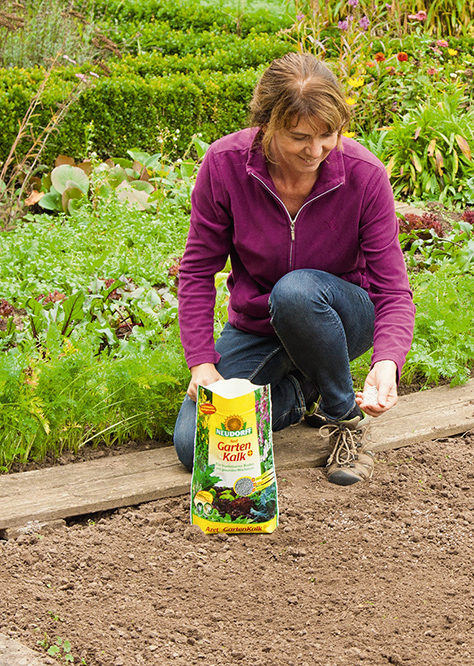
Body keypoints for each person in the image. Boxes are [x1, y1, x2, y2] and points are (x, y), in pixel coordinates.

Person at [172, 52, 415, 486]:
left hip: (341, 317)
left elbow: (393, 290)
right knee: (195, 443)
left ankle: (345, 421)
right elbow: (195, 270)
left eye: (329, 135)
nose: (316, 150)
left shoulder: (365, 175)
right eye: (300, 136)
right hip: (258, 327)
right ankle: (304, 391)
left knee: (297, 291)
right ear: (265, 124)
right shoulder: (225, 165)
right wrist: (202, 364)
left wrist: (387, 361)